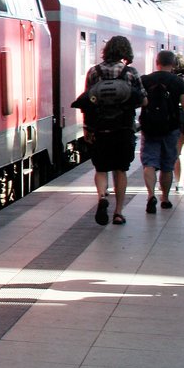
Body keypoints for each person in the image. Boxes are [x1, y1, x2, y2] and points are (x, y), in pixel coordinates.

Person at [73, 35, 145, 225]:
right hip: (123, 129)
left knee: (101, 168)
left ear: (106, 51)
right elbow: (143, 99)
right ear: (126, 52)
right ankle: (119, 213)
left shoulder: (94, 72)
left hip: (100, 128)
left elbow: (87, 101)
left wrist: (87, 128)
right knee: (121, 170)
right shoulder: (130, 73)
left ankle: (102, 198)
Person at [139, 49, 184, 213]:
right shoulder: (178, 82)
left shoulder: (145, 80)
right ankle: (165, 198)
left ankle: (150, 195)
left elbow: (139, 101)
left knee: (149, 162)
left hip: (149, 128)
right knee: (167, 165)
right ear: (174, 64)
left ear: (157, 62)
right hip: (171, 128)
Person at [172, 53, 184, 192]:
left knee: (168, 151)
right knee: (181, 152)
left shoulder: (167, 79)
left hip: (168, 118)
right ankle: (179, 184)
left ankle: (164, 181)